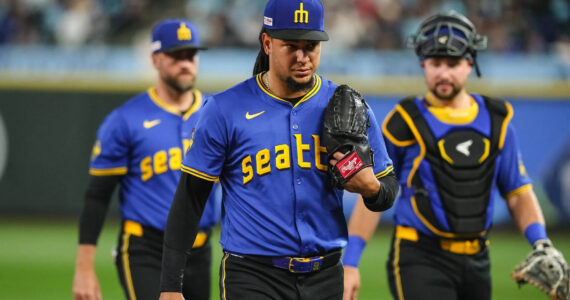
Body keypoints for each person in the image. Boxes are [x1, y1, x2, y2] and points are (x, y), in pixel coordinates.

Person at [158, 0, 399, 299]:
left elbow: (388, 188)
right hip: (252, 276)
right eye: (291, 46)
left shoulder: (347, 107)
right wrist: (170, 286)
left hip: (325, 276)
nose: (302, 57)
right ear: (267, 43)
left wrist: (371, 189)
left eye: (311, 45)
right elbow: (190, 199)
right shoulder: (225, 109)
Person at [342, 11, 569, 300]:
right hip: (419, 257)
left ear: (470, 63)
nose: (443, 73)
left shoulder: (496, 119)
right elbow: (375, 193)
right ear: (423, 64)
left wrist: (541, 242)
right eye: (435, 63)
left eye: (453, 63)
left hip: (477, 258)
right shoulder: (405, 121)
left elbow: (517, 191)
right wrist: (350, 262)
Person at [72, 19, 219, 300]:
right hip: (147, 249)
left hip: (200, 250)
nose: (185, 63)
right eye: (176, 56)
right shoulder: (125, 120)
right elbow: (97, 197)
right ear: (155, 59)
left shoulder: (216, 114)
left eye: (191, 55)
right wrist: (84, 267)